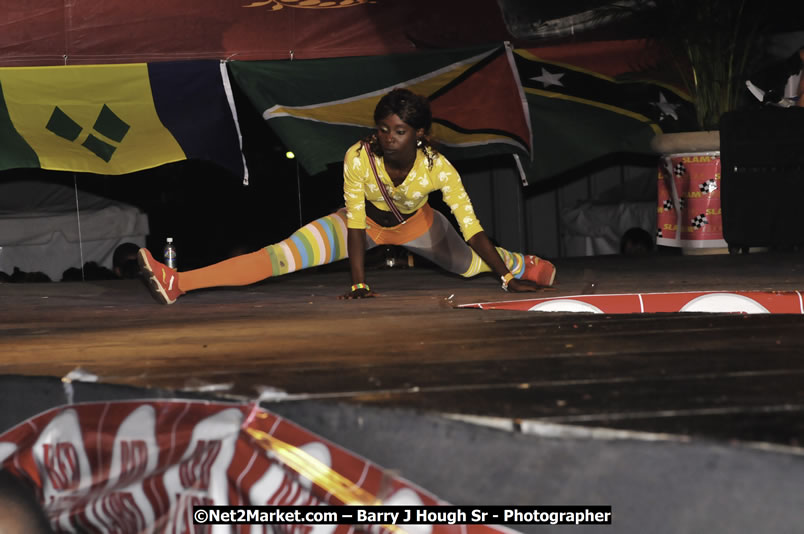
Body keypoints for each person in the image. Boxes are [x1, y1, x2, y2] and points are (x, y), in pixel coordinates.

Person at [137, 89, 556, 304]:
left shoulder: (438, 169)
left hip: (421, 227)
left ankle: (522, 263)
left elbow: (471, 227)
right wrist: (358, 280)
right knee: (280, 255)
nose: (388, 138)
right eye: (383, 128)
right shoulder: (359, 157)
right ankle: (179, 282)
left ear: (421, 134)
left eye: (400, 131)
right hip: (363, 227)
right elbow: (355, 224)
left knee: (469, 267)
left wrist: (506, 277)